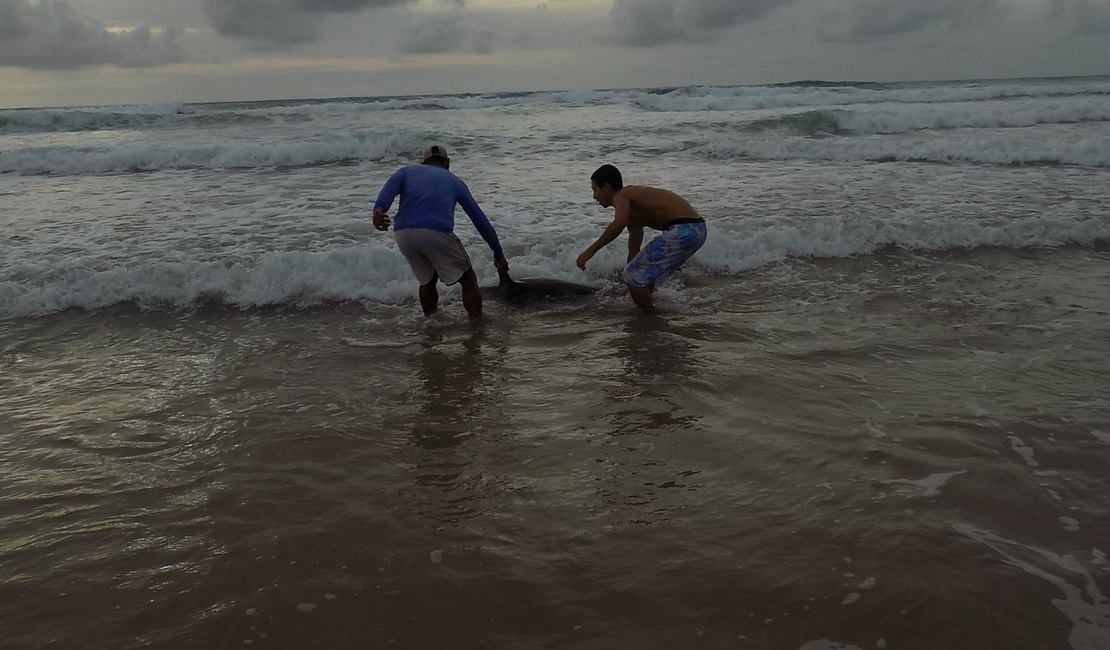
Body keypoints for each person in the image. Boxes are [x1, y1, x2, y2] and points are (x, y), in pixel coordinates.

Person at [373, 144, 508, 319]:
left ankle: (431, 324)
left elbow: (386, 194)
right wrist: (498, 253)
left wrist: (378, 210)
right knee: (467, 278)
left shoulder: (406, 171)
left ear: (424, 162)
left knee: (426, 281)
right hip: (436, 233)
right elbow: (479, 220)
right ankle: (477, 325)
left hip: (404, 234)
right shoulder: (454, 181)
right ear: (447, 162)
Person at [576, 164, 707, 310]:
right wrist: (631, 280)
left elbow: (619, 223)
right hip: (697, 231)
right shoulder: (631, 209)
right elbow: (634, 248)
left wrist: (589, 252)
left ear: (606, 187)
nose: (594, 196)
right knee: (639, 277)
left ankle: (650, 319)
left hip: (684, 229)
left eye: (595, 190)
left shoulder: (622, 195)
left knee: (632, 276)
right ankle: (654, 310)